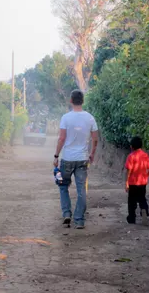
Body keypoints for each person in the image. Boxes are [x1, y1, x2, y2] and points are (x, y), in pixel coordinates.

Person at [53, 89, 98, 229]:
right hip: (83, 159)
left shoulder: (66, 118)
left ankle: (67, 213)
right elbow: (95, 139)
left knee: (63, 186)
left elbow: (61, 138)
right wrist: (92, 154)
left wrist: (56, 156)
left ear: (71, 101)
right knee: (81, 190)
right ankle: (79, 220)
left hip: (67, 158)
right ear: (82, 101)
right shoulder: (90, 118)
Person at [125, 136, 149, 226]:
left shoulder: (131, 156)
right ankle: (144, 210)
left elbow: (128, 170)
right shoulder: (145, 155)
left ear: (131, 146)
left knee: (131, 201)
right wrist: (146, 175)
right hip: (142, 182)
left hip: (133, 183)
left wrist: (126, 182)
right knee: (142, 199)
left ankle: (132, 218)